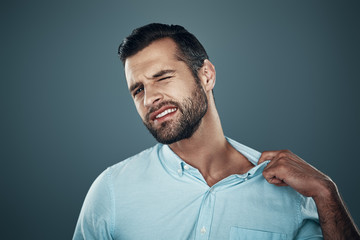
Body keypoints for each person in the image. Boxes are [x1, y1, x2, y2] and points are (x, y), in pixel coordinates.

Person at [73, 23, 359, 240]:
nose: (149, 99)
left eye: (163, 77)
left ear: (206, 75)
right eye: (138, 90)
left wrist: (326, 194)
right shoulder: (110, 191)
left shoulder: (291, 194)